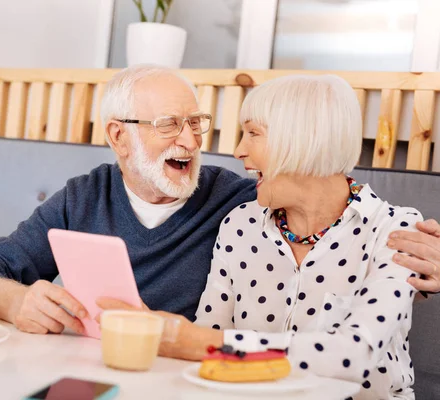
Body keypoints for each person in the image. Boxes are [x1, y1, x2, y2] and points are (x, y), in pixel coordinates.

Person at [0, 65, 440, 338]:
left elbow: (330, 200)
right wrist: (12, 297)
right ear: (119, 136)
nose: (189, 140)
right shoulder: (84, 197)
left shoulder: (237, 200)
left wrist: (426, 258)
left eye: (196, 123)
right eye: (169, 124)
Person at [102, 74, 420, 399]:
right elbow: (208, 343)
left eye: (253, 133)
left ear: (304, 138)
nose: (239, 151)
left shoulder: (396, 231)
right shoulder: (240, 224)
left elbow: (354, 355)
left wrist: (197, 341)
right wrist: (161, 331)